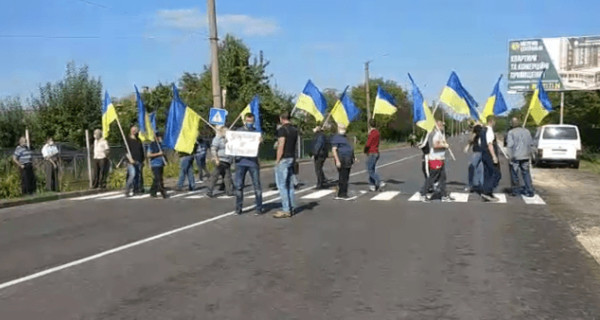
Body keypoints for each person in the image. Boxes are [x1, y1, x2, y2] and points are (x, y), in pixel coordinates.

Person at [234, 113, 263, 215]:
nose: (250, 123)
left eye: (251, 121)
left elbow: (258, 147)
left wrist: (260, 142)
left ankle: (259, 208)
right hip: (240, 162)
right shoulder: (238, 132)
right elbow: (233, 144)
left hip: (252, 162)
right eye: (248, 121)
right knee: (239, 186)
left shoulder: (256, 132)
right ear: (244, 121)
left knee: (257, 186)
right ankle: (238, 208)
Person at [420, 121, 453, 202]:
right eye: (442, 125)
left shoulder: (440, 134)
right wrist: (445, 145)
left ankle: (444, 196)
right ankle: (423, 195)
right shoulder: (436, 134)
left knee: (442, 178)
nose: (443, 127)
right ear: (438, 126)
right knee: (432, 178)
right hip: (435, 159)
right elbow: (435, 145)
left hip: (440, 158)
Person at [273, 111, 298, 218]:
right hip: (291, 158)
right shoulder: (294, 129)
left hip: (284, 159)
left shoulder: (282, 130)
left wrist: (277, 160)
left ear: (281, 118)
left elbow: (281, 146)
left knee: (282, 185)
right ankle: (291, 207)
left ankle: (286, 209)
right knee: (290, 185)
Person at [506, 117, 535, 197]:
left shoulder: (511, 132)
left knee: (514, 173)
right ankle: (530, 190)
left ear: (512, 124)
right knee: (526, 173)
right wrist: (530, 155)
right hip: (525, 156)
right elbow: (531, 144)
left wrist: (509, 156)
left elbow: (510, 145)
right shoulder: (527, 131)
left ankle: (515, 190)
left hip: (515, 156)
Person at [331, 124, 356, 200]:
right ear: (338, 129)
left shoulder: (346, 137)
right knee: (343, 176)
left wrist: (353, 157)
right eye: (342, 128)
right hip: (342, 159)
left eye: (344, 128)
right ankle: (342, 193)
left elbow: (350, 148)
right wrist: (337, 160)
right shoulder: (336, 138)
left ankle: (342, 192)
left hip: (348, 159)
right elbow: (334, 150)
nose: (343, 130)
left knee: (346, 176)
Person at [207, 126, 233, 197]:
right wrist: (216, 159)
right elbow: (213, 149)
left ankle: (229, 191)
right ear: (222, 132)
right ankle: (209, 191)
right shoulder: (217, 139)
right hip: (220, 160)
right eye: (226, 132)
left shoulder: (228, 139)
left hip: (227, 161)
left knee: (227, 177)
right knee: (215, 176)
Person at [481, 116, 502, 202]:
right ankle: (487, 191)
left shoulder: (483, 130)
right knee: (496, 174)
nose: (495, 123)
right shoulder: (489, 130)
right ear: (491, 121)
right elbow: (490, 144)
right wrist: (494, 156)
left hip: (484, 155)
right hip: (489, 155)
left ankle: (488, 193)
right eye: (495, 121)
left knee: (487, 174)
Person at [365, 120, 385, 192]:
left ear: (370, 125)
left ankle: (379, 181)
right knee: (372, 169)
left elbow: (368, 144)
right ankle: (372, 185)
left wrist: (365, 150)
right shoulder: (377, 133)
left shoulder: (372, 133)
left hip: (372, 152)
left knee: (370, 170)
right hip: (376, 152)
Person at [146, 132, 168, 199]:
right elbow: (148, 155)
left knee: (156, 179)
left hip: (161, 164)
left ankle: (152, 192)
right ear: (157, 138)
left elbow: (163, 153)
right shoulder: (152, 145)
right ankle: (163, 192)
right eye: (160, 137)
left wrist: (165, 160)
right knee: (159, 179)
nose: (161, 138)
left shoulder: (161, 145)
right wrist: (158, 154)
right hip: (155, 164)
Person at [125, 126, 145, 196]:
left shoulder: (139, 140)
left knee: (138, 176)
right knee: (132, 175)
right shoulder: (127, 140)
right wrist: (130, 159)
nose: (134, 131)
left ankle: (136, 190)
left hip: (139, 160)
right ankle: (127, 190)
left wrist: (143, 160)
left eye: (135, 130)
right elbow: (126, 151)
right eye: (132, 130)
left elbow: (141, 151)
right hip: (131, 161)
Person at [464, 123, 484, 193]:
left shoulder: (477, 131)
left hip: (477, 152)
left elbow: (471, 139)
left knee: (471, 167)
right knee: (480, 169)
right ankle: (480, 185)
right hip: (483, 152)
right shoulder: (483, 132)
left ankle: (470, 185)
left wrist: (467, 146)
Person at [311, 125, 329, 190]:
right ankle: (323, 181)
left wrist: (314, 153)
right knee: (319, 168)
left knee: (318, 169)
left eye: (314, 127)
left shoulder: (320, 136)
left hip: (320, 154)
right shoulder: (320, 135)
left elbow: (318, 145)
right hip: (321, 154)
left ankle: (320, 183)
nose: (313, 129)